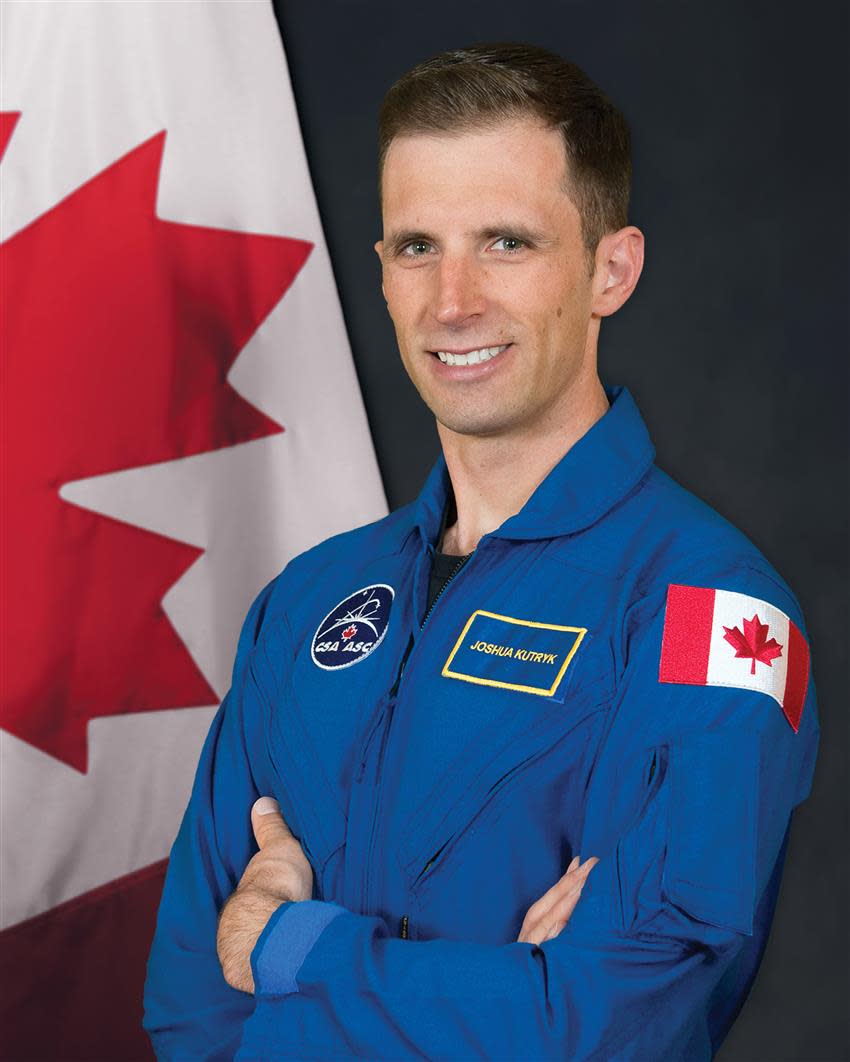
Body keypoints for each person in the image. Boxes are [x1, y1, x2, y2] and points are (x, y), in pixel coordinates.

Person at [144, 43, 819, 1061]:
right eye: (418, 246)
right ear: (380, 274)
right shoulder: (308, 601)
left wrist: (295, 947)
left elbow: (608, 1021)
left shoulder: (708, 613)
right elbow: (194, 1005)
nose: (452, 301)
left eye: (505, 242)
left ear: (610, 269)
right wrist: (497, 985)